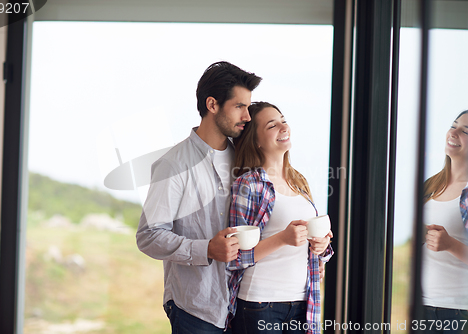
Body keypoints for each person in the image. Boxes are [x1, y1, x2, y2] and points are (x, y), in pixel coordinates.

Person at [136, 61, 262, 333]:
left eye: (248, 108)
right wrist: (206, 249)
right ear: (212, 104)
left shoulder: (245, 158)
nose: (247, 116)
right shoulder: (173, 165)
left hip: (243, 305)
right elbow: (148, 236)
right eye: (239, 106)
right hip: (196, 308)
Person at [226, 102, 333, 334]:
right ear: (256, 141)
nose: (283, 127)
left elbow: (315, 250)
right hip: (260, 304)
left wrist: (322, 245)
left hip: (303, 303)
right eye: (272, 125)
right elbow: (233, 257)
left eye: (283, 120)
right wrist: (283, 238)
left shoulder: (299, 181)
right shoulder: (249, 184)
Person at [422, 110, 468, 333]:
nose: (454, 132)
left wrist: (450, 244)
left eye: (465, 131)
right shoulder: (431, 185)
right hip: (422, 306)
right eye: (454, 125)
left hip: (456, 312)